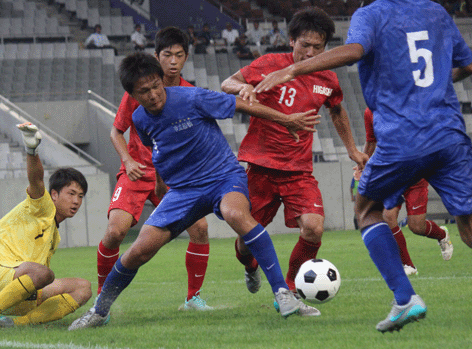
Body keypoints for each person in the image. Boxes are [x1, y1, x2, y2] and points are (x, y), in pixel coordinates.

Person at [255, 0, 472, 332]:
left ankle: (405, 297)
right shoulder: (436, 11)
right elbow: (466, 65)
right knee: (468, 227)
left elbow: (355, 50)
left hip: (403, 136)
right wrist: (434, 86)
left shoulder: (371, 14)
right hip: (449, 134)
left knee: (367, 209)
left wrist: (294, 69)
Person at [68, 52, 321, 330]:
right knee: (139, 250)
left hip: (223, 176)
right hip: (183, 190)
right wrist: (161, 183)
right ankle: (99, 312)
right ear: (132, 95)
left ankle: (283, 294)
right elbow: (159, 149)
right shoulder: (140, 119)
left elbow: (241, 105)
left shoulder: (192, 98)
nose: (153, 94)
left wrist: (286, 120)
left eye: (156, 85)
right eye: (144, 91)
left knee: (234, 212)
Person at [221, 7, 367, 316]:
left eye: (318, 47)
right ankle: (250, 266)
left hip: (299, 171)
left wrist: (353, 150)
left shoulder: (327, 77)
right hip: (260, 168)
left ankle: (286, 291)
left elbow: (337, 110)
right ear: (291, 41)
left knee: (314, 228)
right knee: (247, 244)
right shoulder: (271, 64)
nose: (310, 52)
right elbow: (227, 83)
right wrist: (243, 86)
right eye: (305, 45)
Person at [97, 27, 214, 312]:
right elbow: (116, 132)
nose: (173, 61)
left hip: (175, 177)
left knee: (200, 228)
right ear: (156, 55)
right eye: (167, 55)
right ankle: (102, 299)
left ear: (186, 57)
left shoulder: (190, 94)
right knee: (115, 233)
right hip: (137, 172)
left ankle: (193, 298)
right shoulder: (140, 88)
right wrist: (127, 161)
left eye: (179, 55)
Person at [0, 123, 91, 331]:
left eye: (80, 196)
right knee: (44, 273)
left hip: (18, 289)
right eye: (71, 194)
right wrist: (32, 149)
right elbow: (36, 179)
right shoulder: (43, 206)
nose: (76, 201)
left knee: (83, 288)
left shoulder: (54, 234)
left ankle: (14, 323)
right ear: (54, 194)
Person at [363, 107, 453, 275]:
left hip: (415, 172)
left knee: (416, 226)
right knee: (388, 217)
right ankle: (408, 265)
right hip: (393, 174)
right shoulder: (370, 111)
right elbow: (371, 141)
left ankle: (441, 235)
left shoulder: (405, 102)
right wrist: (362, 163)